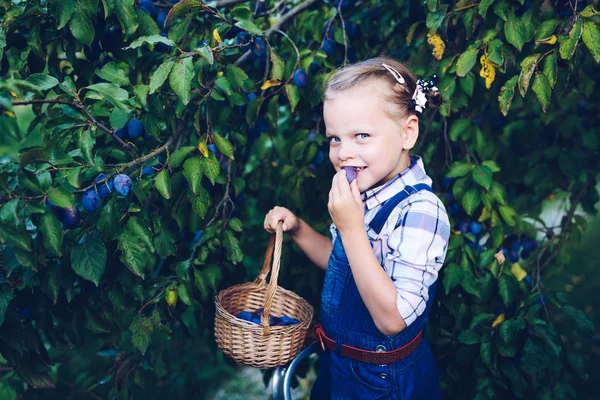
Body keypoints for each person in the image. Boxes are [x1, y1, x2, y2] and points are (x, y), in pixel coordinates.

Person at [263, 57, 451, 399]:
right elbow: (344, 262)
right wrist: (299, 230)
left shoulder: (421, 211)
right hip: (339, 368)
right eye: (335, 138)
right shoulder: (364, 194)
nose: (344, 153)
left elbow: (393, 320)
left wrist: (351, 228)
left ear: (408, 132)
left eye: (361, 135)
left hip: (383, 382)